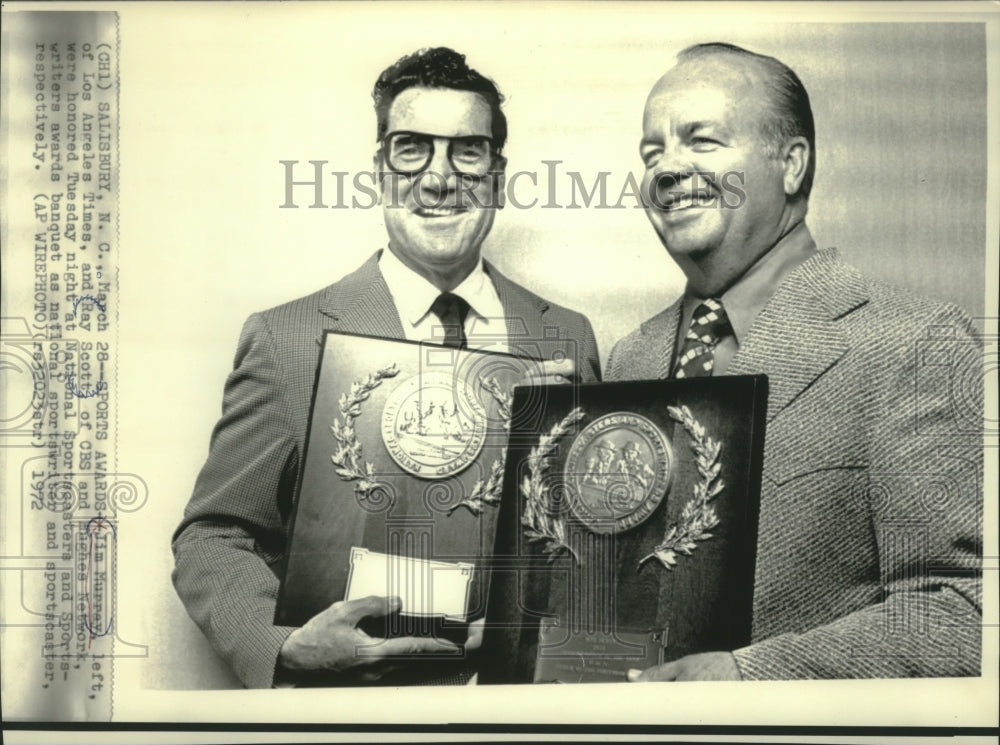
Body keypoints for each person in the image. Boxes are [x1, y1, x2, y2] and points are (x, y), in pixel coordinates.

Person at [172, 47, 601, 688]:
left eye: (468, 151)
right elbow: (214, 533)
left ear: (498, 174)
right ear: (379, 170)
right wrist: (283, 644)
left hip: (528, 711)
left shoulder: (568, 336)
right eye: (411, 149)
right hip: (356, 712)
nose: (439, 177)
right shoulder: (287, 338)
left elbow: (591, 540)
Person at [609, 42, 983, 680]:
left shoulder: (913, 343)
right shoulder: (627, 358)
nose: (667, 169)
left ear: (792, 165)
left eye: (702, 141)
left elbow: (965, 612)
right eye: (652, 152)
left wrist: (748, 678)